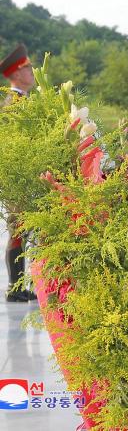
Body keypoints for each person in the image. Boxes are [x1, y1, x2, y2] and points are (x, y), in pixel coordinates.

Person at [1, 44, 37, 302]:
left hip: (26, 176)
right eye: (28, 68)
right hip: (19, 178)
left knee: (23, 231)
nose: (33, 71)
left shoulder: (22, 100)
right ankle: (15, 289)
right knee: (18, 229)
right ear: (15, 74)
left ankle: (20, 286)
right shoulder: (14, 103)